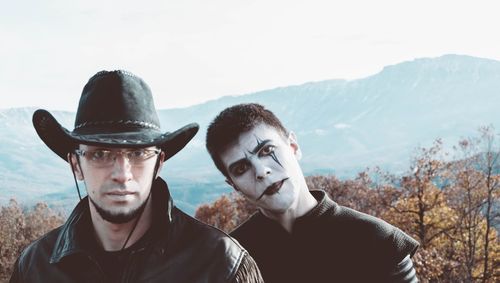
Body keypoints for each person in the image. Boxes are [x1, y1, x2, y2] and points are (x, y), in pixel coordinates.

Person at [10, 71, 263, 283]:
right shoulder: (36, 267)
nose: (122, 174)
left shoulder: (220, 266)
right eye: (101, 154)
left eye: (139, 153)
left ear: (159, 163)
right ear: (76, 164)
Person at [206, 103, 420, 283]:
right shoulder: (232, 258)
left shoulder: (376, 240)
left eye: (267, 151)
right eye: (241, 169)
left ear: (293, 146)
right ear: (233, 184)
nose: (261, 172)